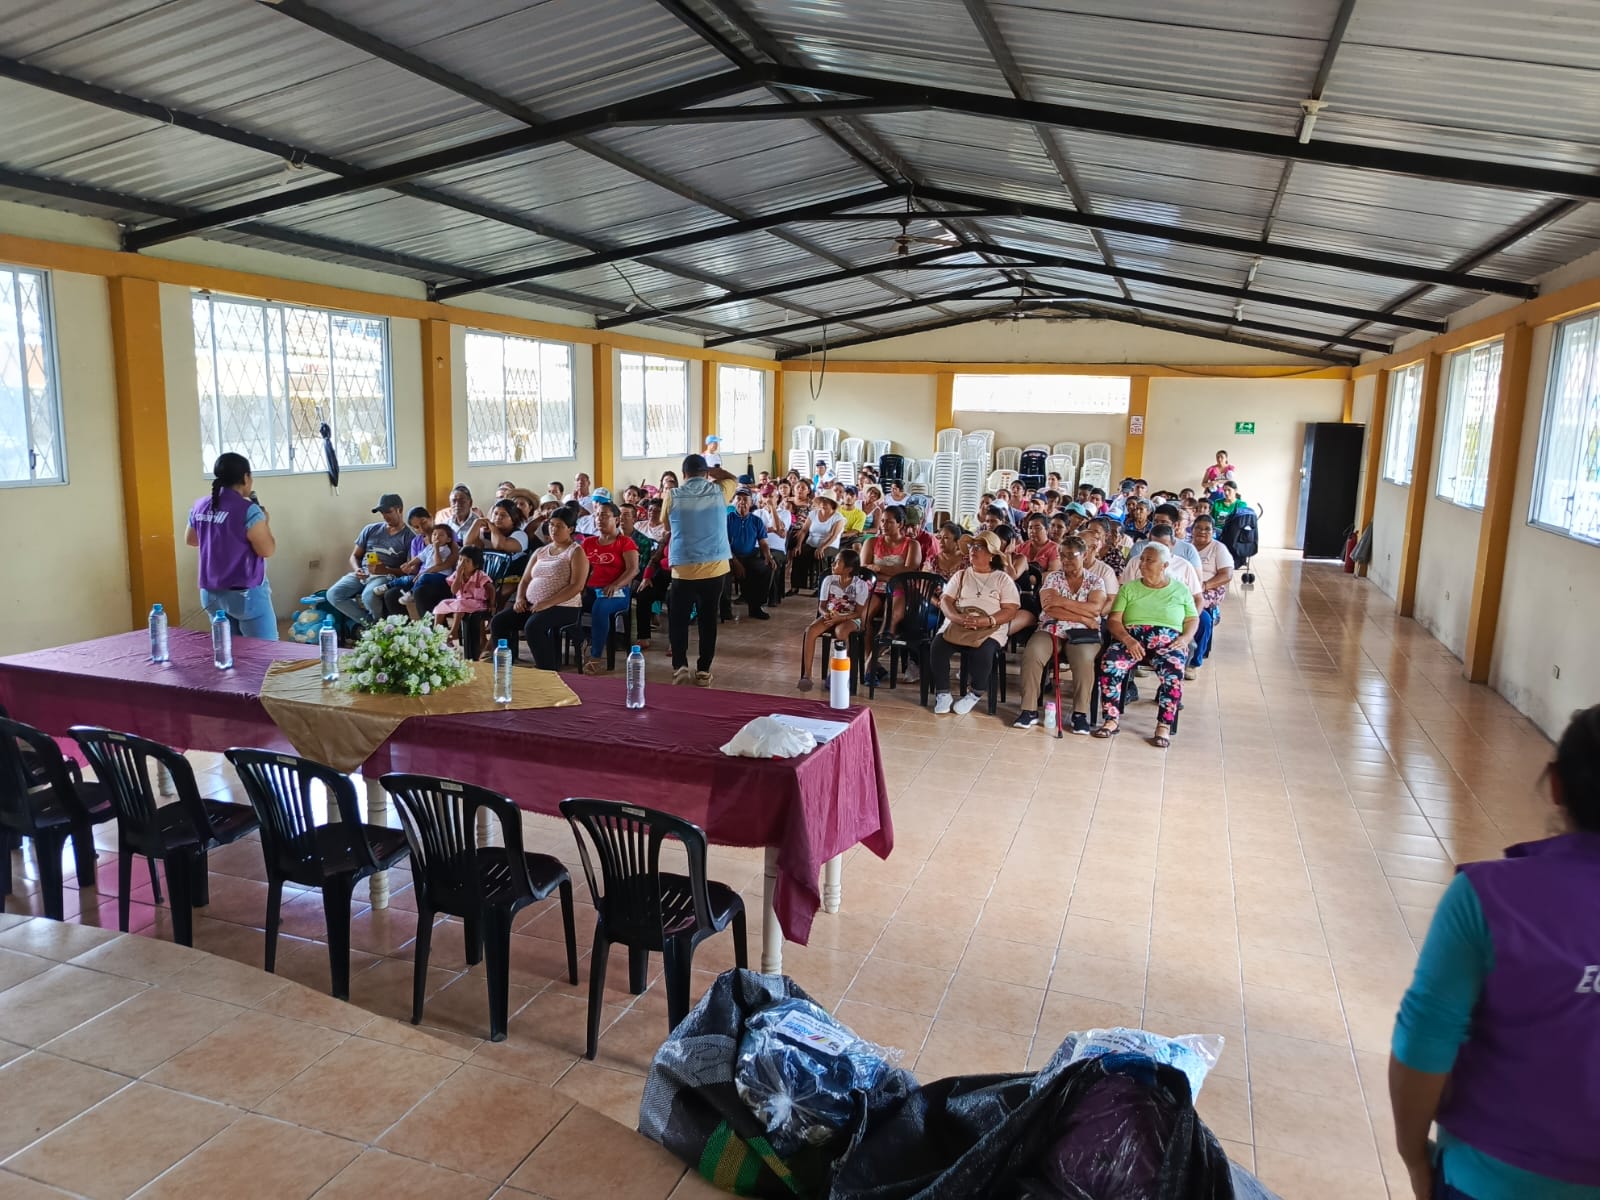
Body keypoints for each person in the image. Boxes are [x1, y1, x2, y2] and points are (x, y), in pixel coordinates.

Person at [1389, 704, 1600, 1200]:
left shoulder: (1488, 900)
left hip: (1491, 1181)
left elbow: (1423, 1046)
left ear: (1556, 785)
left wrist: (1415, 1157)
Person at [1094, 543, 1197, 749]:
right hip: (1132, 638)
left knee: (1174, 672)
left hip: (1167, 641)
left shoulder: (1180, 589)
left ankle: (1163, 725)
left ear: (1164, 565)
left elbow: (1192, 619)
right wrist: (1127, 639)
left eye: (1149, 560)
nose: (1142, 564)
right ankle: (1111, 719)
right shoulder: (1129, 588)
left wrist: (1185, 638)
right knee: (1111, 662)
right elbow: (1114, 620)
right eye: (1142, 559)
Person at [661, 453, 738, 687]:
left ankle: (680, 667)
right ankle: (703, 670)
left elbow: (666, 525)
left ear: (683, 475)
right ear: (706, 473)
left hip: (683, 569)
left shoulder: (672, 495)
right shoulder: (719, 491)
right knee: (708, 620)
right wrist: (713, 472)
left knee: (678, 620)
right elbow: (732, 478)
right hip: (715, 569)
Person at [1016, 536, 1105, 734]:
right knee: (1033, 652)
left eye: (1071, 555)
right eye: (1062, 555)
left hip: (1083, 632)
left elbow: (1095, 609)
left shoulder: (1095, 581)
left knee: (1084, 658)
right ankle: (1029, 710)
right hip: (1052, 627)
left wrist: (1062, 602)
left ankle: (1080, 714)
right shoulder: (1053, 578)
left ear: (1084, 555)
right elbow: (1049, 608)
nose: (1065, 560)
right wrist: (1081, 615)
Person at [185, 451, 278, 639]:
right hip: (245, 595)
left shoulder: (200, 506)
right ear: (246, 477)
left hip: (210, 594)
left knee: (227, 650)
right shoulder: (248, 510)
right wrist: (265, 522)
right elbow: (267, 550)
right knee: (264, 652)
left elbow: (192, 540)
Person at [929, 531, 1021, 716]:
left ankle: (975, 693)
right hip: (959, 622)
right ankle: (943, 693)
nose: (973, 550)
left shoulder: (1002, 579)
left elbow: (1011, 610)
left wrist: (986, 621)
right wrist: (955, 617)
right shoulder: (961, 575)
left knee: (983, 651)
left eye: (979, 547)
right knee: (938, 646)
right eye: (972, 546)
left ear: (992, 555)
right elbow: (945, 600)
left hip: (990, 627)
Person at [488, 508, 588, 669]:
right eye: (552, 525)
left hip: (564, 606)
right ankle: (504, 665)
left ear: (570, 529)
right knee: (499, 622)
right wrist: (520, 598)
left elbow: (577, 585)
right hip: (534, 605)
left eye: (559, 526)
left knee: (533, 626)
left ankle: (546, 669)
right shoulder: (541, 551)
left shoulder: (576, 552)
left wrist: (547, 603)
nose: (554, 529)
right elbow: (526, 579)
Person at [326, 493, 413, 628]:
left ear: (399, 510)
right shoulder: (371, 529)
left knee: (369, 596)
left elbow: (410, 571)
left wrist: (386, 570)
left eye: (388, 512)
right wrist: (357, 569)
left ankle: (379, 627)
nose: (385, 516)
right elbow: (355, 556)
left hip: (386, 576)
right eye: (382, 513)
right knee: (333, 594)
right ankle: (372, 625)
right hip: (364, 573)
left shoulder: (409, 537)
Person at [797, 550, 870, 692]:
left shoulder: (860, 585)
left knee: (841, 631)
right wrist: (826, 614)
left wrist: (841, 618)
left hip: (850, 618)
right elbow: (822, 606)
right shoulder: (829, 580)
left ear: (848, 569)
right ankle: (807, 675)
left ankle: (838, 673)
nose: (833, 564)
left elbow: (858, 613)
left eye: (837, 562)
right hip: (830, 616)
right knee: (810, 631)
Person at [578, 502, 638, 673]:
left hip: (617, 591)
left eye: (604, 515)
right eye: (597, 515)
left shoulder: (625, 542)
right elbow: (580, 568)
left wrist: (615, 584)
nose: (599, 519)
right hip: (590, 589)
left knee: (600, 607)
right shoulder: (588, 542)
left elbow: (633, 569)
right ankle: (582, 641)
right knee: (568, 604)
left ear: (617, 520)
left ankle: (596, 658)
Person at [1187, 514, 1233, 679]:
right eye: (1198, 528)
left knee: (1204, 620)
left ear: (1213, 531)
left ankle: (1193, 663)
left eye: (1207, 529)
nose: (1202, 532)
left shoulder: (1218, 548)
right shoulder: (1186, 547)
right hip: (1184, 590)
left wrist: (1204, 585)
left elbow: (1227, 574)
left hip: (1206, 590)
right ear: (1192, 530)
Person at [393, 517, 459, 618]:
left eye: (441, 535)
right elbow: (419, 557)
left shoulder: (446, 549)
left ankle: (411, 593)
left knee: (422, 582)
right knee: (402, 583)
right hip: (426, 575)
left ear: (448, 539)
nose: (437, 537)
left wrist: (436, 549)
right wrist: (409, 564)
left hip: (441, 576)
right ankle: (389, 585)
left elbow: (438, 563)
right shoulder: (427, 547)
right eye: (435, 534)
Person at [724, 488, 774, 621]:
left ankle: (756, 606)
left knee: (767, 567)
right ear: (734, 502)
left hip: (749, 556)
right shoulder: (727, 519)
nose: (742, 502)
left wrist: (768, 556)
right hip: (730, 557)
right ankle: (725, 610)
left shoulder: (756, 520)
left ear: (751, 502)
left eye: (745, 499)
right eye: (739, 499)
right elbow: (724, 544)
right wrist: (735, 562)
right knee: (724, 573)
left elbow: (763, 542)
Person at [431, 546, 497, 645]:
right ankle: (436, 633)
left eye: (467, 561)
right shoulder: (457, 574)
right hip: (461, 601)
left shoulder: (480, 575)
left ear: (476, 565)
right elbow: (454, 591)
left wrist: (491, 604)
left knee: (460, 605)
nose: (461, 563)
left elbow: (491, 588)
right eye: (460, 559)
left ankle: (454, 632)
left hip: (478, 603)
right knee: (442, 604)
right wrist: (458, 576)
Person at [792, 494, 845, 593]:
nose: (823, 504)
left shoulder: (838, 518)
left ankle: (822, 586)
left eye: (826, 502)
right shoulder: (813, 514)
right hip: (811, 543)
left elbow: (833, 535)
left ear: (832, 504)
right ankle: (796, 585)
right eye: (822, 501)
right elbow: (804, 530)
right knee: (798, 553)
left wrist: (822, 547)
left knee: (821, 555)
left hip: (830, 545)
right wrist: (798, 545)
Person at [465, 499, 531, 555]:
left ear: (513, 519)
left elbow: (499, 546)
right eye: (495, 514)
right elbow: (468, 545)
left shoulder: (521, 535)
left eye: (503, 515)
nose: (498, 517)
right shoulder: (485, 532)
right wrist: (476, 523)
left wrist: (493, 527)